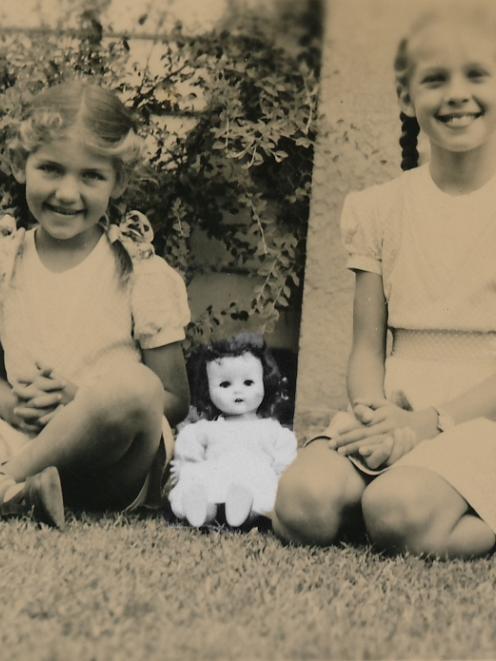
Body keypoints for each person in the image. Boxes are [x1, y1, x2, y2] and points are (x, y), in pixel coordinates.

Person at [274, 2, 496, 558]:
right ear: (406, 96)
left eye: (477, 74)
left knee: (397, 513)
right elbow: (367, 347)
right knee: (304, 502)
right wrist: (373, 414)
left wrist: (427, 426)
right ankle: (393, 491)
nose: (457, 94)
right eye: (435, 79)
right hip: (398, 400)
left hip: (480, 412)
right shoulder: (380, 209)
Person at [0, 80, 191, 528]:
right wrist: (13, 406)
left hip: (112, 466)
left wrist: (79, 401)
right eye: (51, 168)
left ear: (118, 180)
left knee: (135, 388)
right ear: (19, 164)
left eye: (90, 176)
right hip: (23, 432)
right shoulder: (7, 261)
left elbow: (174, 399)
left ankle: (8, 481)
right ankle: (27, 491)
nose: (68, 194)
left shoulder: (140, 271)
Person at [168, 333, 297, 528]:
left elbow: (283, 464)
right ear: (208, 389)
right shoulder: (206, 430)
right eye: (225, 384)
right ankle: (202, 509)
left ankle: (246, 511)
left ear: (265, 381)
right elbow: (190, 457)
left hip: (253, 480)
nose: (237, 391)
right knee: (196, 481)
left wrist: (281, 478)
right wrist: (187, 469)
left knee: (260, 488)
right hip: (215, 475)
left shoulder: (272, 430)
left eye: (248, 383)